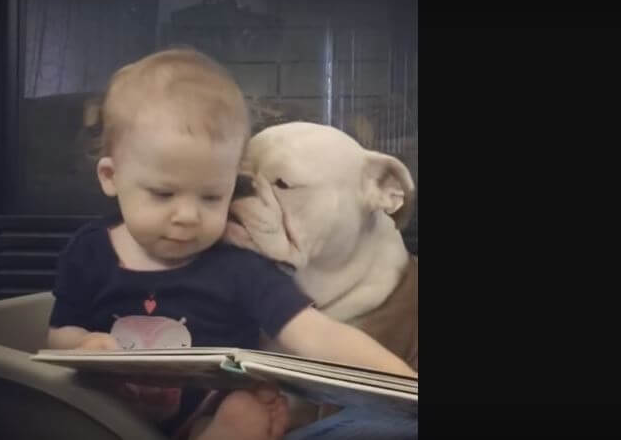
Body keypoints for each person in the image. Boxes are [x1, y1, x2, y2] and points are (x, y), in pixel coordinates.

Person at [46, 47, 416, 439]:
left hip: (209, 418)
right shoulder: (89, 252)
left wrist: (408, 386)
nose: (188, 215)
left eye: (212, 197)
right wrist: (83, 344)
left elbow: (318, 334)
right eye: (162, 194)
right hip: (110, 414)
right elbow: (58, 332)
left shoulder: (238, 264)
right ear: (110, 177)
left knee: (250, 409)